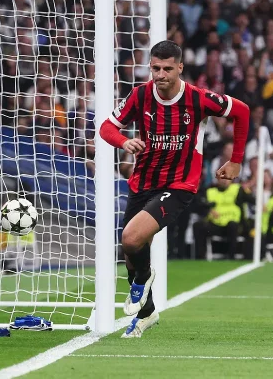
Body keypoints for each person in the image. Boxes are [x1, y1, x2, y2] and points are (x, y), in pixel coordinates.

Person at [99, 40, 249, 338]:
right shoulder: (140, 95)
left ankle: (144, 277)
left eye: (168, 68)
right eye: (155, 68)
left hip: (180, 185)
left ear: (180, 67)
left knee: (131, 238)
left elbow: (242, 112)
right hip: (143, 182)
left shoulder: (199, 98)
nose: (160, 74)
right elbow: (106, 127)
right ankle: (147, 313)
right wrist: (124, 142)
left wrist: (236, 161)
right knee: (130, 249)